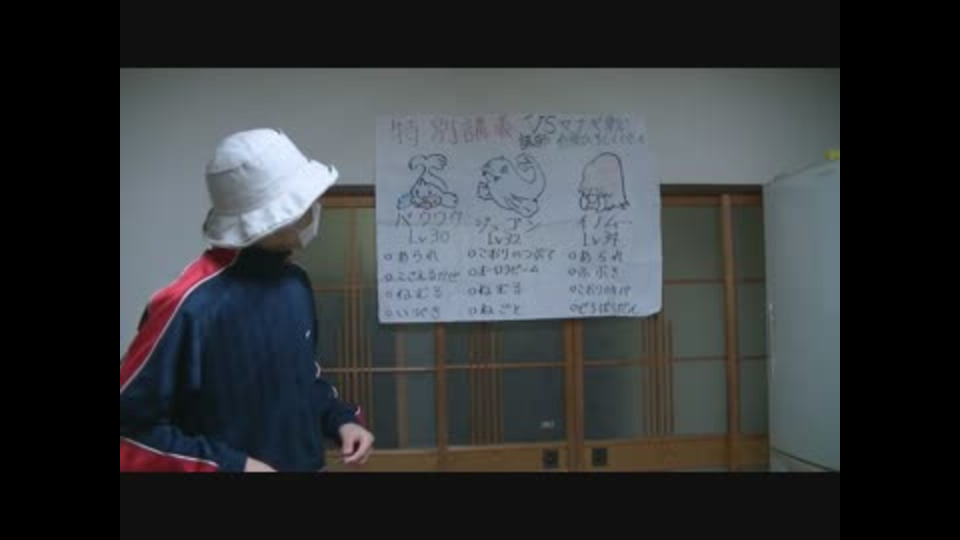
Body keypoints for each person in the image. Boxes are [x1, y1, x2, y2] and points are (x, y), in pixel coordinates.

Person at [119, 128, 375, 472]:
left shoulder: (295, 282)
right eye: (302, 203)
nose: (314, 209)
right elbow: (130, 431)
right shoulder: (189, 303)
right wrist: (233, 465)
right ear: (272, 219)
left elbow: (302, 380)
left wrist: (341, 420)